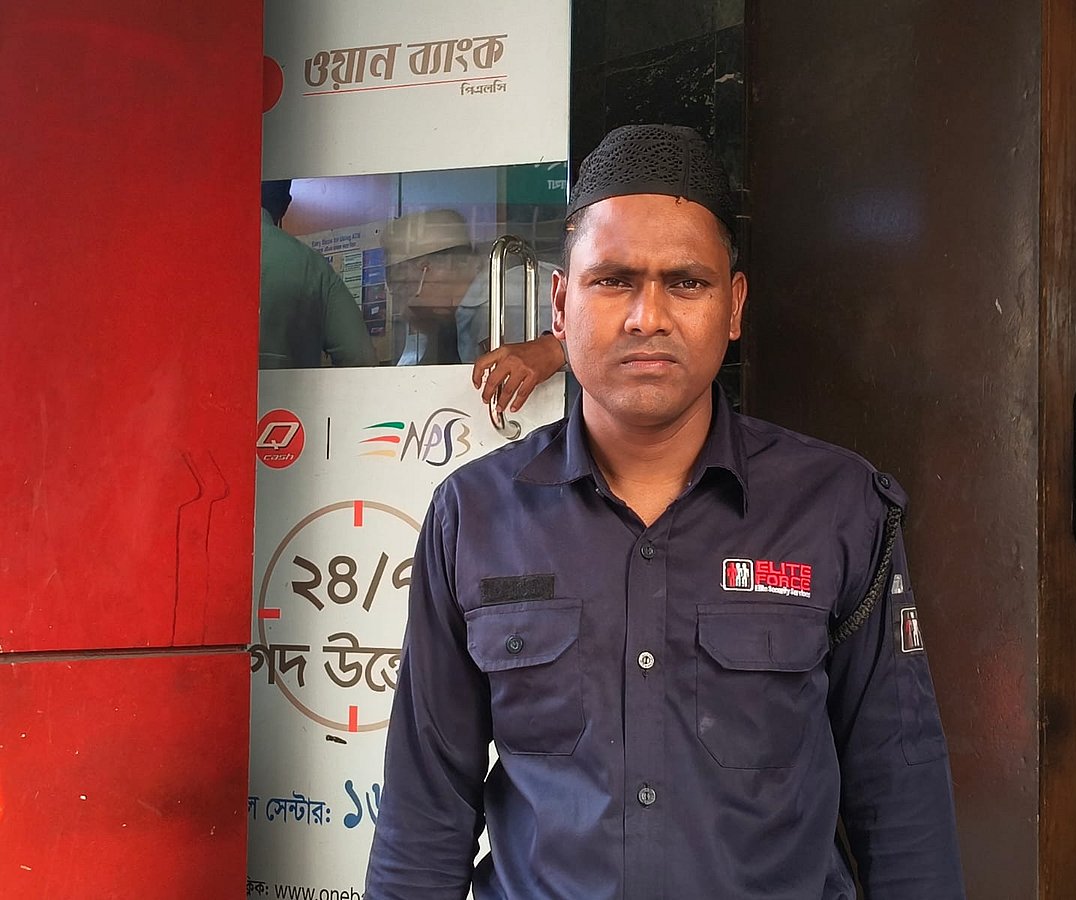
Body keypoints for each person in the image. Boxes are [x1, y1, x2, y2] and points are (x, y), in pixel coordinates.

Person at [365, 124, 966, 899]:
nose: (648, 316)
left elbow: (900, 785)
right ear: (560, 303)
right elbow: (425, 803)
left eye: (686, 283)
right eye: (614, 280)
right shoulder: (474, 515)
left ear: (734, 306)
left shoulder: (837, 506)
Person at [381, 210, 567, 413]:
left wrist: (555, 349)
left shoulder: (510, 297)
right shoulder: (467, 311)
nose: (404, 301)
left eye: (403, 285)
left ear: (426, 269)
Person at [258, 180, 377, 368]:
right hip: (289, 388)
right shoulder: (312, 265)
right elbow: (359, 357)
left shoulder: (207, 247)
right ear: (286, 205)